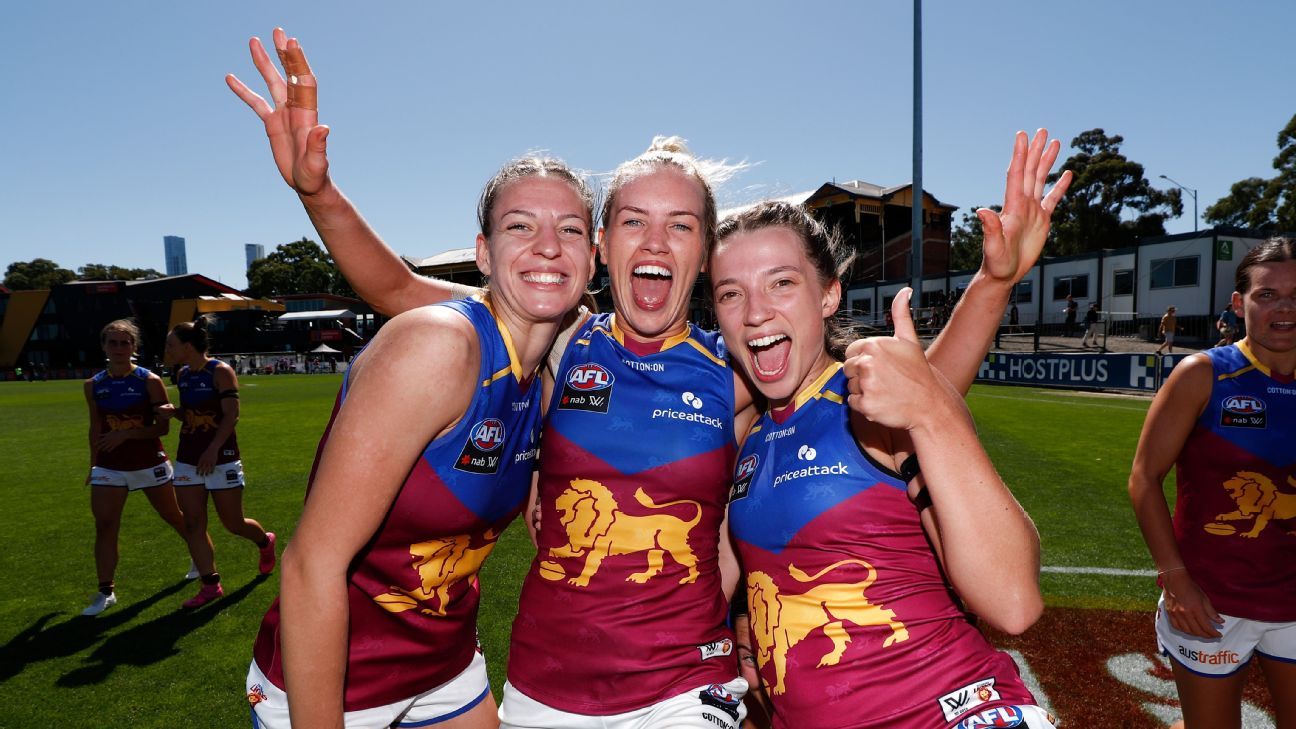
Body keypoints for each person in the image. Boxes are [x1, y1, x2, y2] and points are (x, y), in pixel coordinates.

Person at [229, 29, 1070, 727]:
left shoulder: (733, 371)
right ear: (606, 249)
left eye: (680, 227)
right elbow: (402, 294)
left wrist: (992, 285)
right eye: (634, 222)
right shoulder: (558, 342)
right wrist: (321, 193)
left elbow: (913, 394)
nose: (656, 243)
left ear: (701, 256)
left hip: (686, 686)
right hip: (540, 685)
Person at [232, 36, 599, 729]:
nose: (548, 246)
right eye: (521, 226)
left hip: (446, 669)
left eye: (571, 229)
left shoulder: (567, 350)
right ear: (484, 255)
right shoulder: (437, 346)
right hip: (334, 685)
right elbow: (311, 565)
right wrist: (318, 192)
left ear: (592, 255)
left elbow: (395, 282)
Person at [713, 201, 1056, 729]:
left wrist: (934, 411)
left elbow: (1013, 604)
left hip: (945, 712)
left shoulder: (874, 403)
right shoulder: (750, 434)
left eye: (781, 283)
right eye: (731, 292)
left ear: (828, 294)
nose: (755, 312)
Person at [1129, 238, 1296, 729]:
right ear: (1238, 302)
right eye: (1267, 295)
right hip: (1210, 604)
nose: (1284, 308)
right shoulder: (1203, 375)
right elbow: (1144, 477)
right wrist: (1177, 581)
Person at [82, 319, 202, 616]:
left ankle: (201, 559)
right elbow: (95, 427)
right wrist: (93, 464)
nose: (120, 348)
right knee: (105, 526)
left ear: (134, 347)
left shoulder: (148, 381)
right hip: (109, 467)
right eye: (113, 342)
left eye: (125, 343)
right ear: (104, 346)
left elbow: (162, 429)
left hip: (149, 463)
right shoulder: (94, 385)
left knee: (174, 516)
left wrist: (126, 434)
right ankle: (105, 591)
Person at [162, 319, 276, 609]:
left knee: (233, 524)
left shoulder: (220, 372)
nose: (168, 350)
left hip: (221, 459)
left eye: (171, 345)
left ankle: (265, 542)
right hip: (188, 458)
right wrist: (173, 412)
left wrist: (213, 450)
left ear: (187, 346)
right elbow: (191, 413)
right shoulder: (183, 375)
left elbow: (231, 416)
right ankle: (210, 586)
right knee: (192, 523)